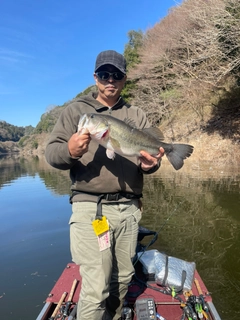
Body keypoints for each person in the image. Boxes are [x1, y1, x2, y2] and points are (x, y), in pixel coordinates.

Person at [45, 50, 164, 320]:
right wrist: (70, 151)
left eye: (117, 75)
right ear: (95, 77)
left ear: (124, 79)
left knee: (122, 278)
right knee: (97, 287)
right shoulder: (77, 111)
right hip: (91, 209)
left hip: (130, 210)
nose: (110, 80)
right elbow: (52, 153)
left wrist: (152, 165)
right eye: (104, 74)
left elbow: (151, 158)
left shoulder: (135, 114)